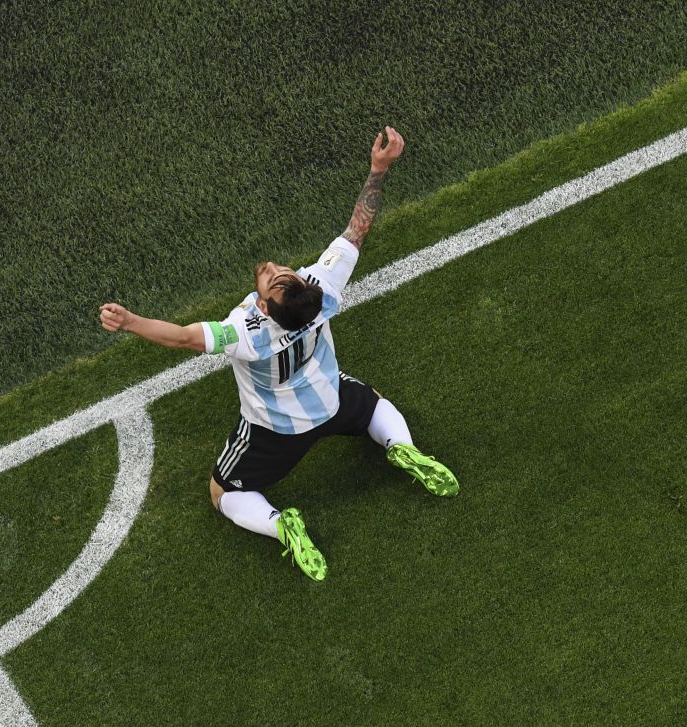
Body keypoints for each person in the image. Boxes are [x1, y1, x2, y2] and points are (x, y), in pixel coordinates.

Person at [100, 126, 458, 581]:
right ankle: (402, 448)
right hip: (331, 398)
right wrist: (378, 171)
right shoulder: (321, 291)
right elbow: (357, 229)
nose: (272, 267)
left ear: (266, 309)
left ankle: (280, 525)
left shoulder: (246, 333)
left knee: (221, 493)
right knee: (373, 405)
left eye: (272, 277)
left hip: (276, 430)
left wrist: (130, 322)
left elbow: (183, 337)